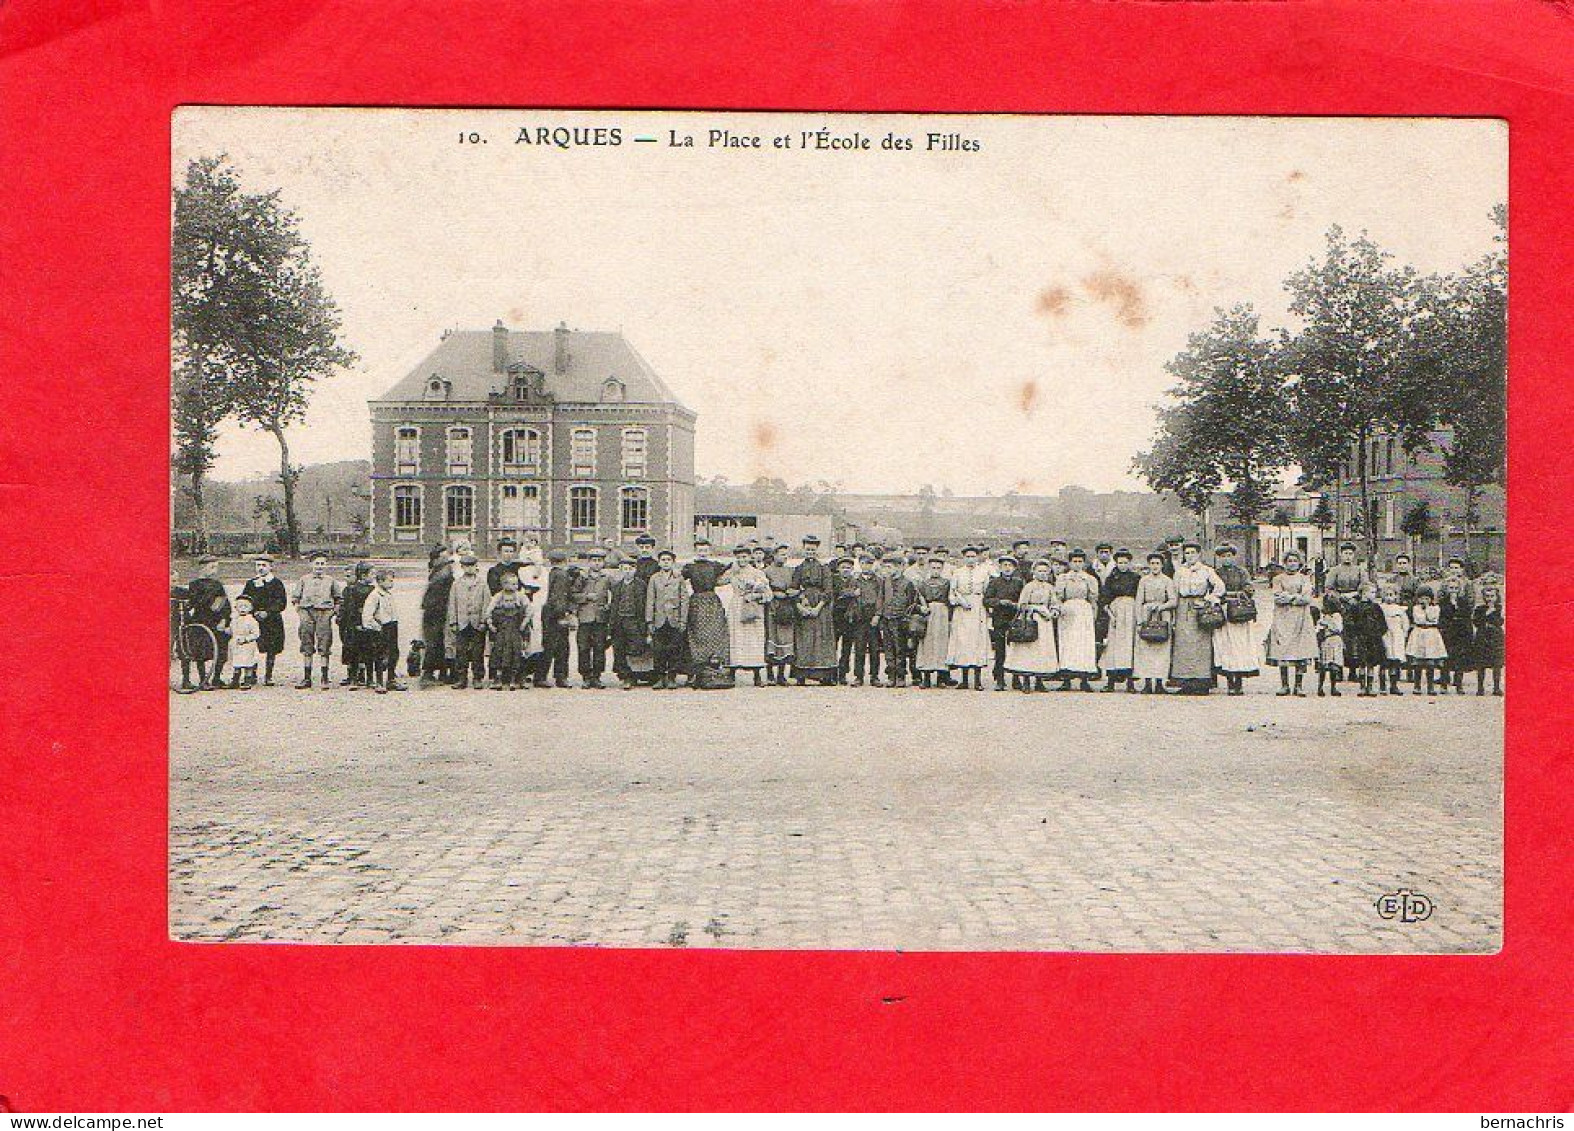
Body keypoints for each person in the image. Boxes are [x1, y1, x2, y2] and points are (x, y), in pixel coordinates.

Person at [1169, 542, 1225, 695]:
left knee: (1201, 646)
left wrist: (1208, 599)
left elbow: (1220, 587)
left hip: (1200, 609)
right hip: (1182, 608)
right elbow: (1174, 591)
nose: (1190, 556)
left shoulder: (1207, 571)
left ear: (1199, 554)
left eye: (1193, 552)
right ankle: (1185, 682)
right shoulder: (1179, 571)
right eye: (1187, 553)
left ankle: (1202, 682)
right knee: (1183, 645)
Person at [683, 540, 734, 689]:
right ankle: (696, 672)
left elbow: (729, 572)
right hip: (697, 601)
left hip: (712, 601)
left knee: (714, 633)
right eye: (700, 550)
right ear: (695, 551)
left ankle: (714, 670)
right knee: (696, 635)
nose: (702, 553)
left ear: (709, 551)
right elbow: (678, 579)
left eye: (705, 550)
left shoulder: (715, 566)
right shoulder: (690, 567)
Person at [1267, 550, 1318, 697]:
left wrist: (1290, 597)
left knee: (1300, 650)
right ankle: (1284, 685)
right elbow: (1277, 597)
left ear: (1299, 563)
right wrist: (1296, 598)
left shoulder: (1305, 579)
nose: (1292, 564)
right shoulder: (1278, 579)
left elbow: (1307, 598)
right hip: (1283, 617)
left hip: (1301, 618)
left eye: (1295, 561)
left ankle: (1299, 685)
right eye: (1289, 561)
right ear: (1285, 563)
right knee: (1282, 649)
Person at [1211, 543, 1258, 696]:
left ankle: (1239, 682)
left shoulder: (1241, 572)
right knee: (1226, 647)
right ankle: (1230, 682)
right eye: (1223, 556)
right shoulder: (1215, 573)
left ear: (1234, 556)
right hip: (1224, 612)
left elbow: (1249, 588)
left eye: (1229, 556)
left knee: (1240, 648)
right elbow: (1211, 590)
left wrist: (1245, 592)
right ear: (1219, 558)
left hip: (1239, 613)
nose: (1226, 559)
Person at [1006, 560, 1060, 692]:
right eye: (1039, 571)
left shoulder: (1050, 587)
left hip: (1045, 622)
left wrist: (1053, 611)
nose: (1042, 574)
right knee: (1029, 650)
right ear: (1034, 572)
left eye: (1045, 571)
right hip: (1031, 620)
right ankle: (1026, 681)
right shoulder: (1029, 586)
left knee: (1042, 651)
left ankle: (1039, 681)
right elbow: (1022, 605)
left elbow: (1055, 602)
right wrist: (1035, 608)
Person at [790, 535, 838, 685]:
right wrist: (800, 605)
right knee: (804, 639)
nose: (810, 552)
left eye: (813, 549)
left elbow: (828, 590)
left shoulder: (824, 568)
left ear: (817, 550)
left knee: (821, 639)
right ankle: (802, 675)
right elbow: (793, 588)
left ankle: (824, 675)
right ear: (803, 550)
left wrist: (817, 608)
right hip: (804, 606)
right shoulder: (798, 569)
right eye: (807, 549)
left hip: (820, 608)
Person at [292, 552, 342, 689]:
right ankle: (307, 678)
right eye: (316, 563)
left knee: (324, 642)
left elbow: (338, 598)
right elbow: (295, 598)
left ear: (326, 565)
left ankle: (324, 678)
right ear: (311, 565)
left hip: (324, 613)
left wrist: (333, 612)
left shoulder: (330, 580)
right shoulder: (304, 579)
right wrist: (300, 611)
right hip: (307, 612)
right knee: (306, 642)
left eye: (322, 563)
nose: (319, 566)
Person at [945, 545, 992, 690]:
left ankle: (977, 680)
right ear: (963, 558)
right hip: (962, 611)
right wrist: (960, 601)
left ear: (977, 557)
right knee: (963, 642)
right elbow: (952, 594)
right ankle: (964, 680)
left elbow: (987, 592)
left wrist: (983, 605)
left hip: (978, 610)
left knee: (977, 642)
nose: (970, 559)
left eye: (973, 556)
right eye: (967, 557)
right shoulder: (958, 573)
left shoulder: (984, 573)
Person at [1053, 549, 1100, 691]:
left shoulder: (1090, 579)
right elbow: (1058, 597)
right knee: (1068, 644)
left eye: (1080, 561)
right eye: (1074, 561)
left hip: (1083, 612)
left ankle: (1084, 680)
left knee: (1084, 645)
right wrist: (1060, 609)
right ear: (1070, 563)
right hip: (1068, 611)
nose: (1077, 564)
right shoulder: (1063, 578)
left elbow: (1093, 599)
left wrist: (1093, 615)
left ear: (1084, 563)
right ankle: (1066, 680)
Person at [724, 544, 771, 686]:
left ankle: (756, 674)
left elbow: (768, 594)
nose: (741, 560)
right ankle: (732, 672)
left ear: (750, 557)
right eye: (739, 557)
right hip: (737, 607)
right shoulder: (733, 572)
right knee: (735, 638)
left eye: (744, 557)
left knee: (753, 639)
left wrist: (755, 595)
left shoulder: (757, 573)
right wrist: (729, 569)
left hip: (752, 608)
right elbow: (718, 581)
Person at [239, 554, 288, 686]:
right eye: (258, 565)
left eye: (264, 565)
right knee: (253, 647)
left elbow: (282, 602)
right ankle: (252, 674)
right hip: (255, 621)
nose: (260, 568)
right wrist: (253, 612)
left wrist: (268, 611)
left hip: (272, 621)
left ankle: (268, 675)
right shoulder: (251, 583)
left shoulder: (277, 583)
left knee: (272, 648)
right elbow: (244, 600)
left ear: (271, 567)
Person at [185, 554, 231, 690]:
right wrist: (210, 598)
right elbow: (195, 603)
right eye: (212, 567)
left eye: (216, 567)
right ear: (203, 568)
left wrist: (224, 620)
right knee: (201, 652)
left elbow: (225, 604)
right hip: (201, 620)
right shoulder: (194, 585)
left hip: (217, 621)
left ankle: (216, 677)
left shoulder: (218, 585)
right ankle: (203, 679)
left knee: (221, 649)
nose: (214, 570)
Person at [568, 548, 613, 688]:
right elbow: (572, 595)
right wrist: (585, 597)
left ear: (603, 562)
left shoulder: (607, 578)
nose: (597, 563)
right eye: (594, 560)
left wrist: (608, 607)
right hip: (585, 618)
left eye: (599, 561)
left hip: (600, 618)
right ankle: (586, 676)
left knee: (600, 647)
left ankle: (597, 676)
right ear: (589, 562)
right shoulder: (582, 577)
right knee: (583, 647)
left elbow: (614, 595)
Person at [645, 550, 689, 690]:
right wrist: (649, 621)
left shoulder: (679, 578)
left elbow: (684, 600)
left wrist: (683, 620)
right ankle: (659, 677)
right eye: (663, 559)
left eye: (668, 560)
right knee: (658, 650)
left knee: (674, 649)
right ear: (659, 562)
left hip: (674, 619)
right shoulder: (654, 578)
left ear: (673, 562)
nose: (665, 562)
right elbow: (650, 599)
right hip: (659, 619)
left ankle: (671, 677)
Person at [1133, 554, 1177, 694]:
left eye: (1157, 563)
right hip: (1147, 615)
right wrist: (1140, 620)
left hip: (1162, 616)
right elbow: (1139, 601)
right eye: (1152, 563)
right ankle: (1147, 682)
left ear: (1162, 565)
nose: (1155, 566)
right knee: (1146, 649)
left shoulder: (1167, 581)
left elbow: (1173, 600)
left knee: (1161, 650)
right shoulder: (1144, 581)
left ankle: (1159, 683)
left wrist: (1161, 607)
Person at [447, 551, 490, 689]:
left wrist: (484, 621)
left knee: (478, 652)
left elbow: (486, 604)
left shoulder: (482, 584)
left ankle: (477, 677)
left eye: (472, 566)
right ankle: (461, 678)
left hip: (477, 623)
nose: (469, 568)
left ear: (476, 567)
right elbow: (452, 604)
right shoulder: (456, 584)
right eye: (466, 566)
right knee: (461, 652)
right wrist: (453, 622)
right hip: (462, 623)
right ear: (462, 567)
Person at [1098, 549, 1139, 693]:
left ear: (1129, 563)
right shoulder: (1111, 578)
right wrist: (1111, 615)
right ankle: (1110, 682)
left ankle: (1130, 683)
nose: (1122, 565)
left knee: (1129, 646)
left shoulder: (1135, 578)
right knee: (1114, 647)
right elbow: (1104, 599)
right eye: (1120, 562)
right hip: (1116, 612)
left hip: (1131, 611)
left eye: (1125, 562)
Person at [879, 552, 922, 688]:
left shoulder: (907, 583)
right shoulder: (885, 582)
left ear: (901, 567)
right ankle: (891, 676)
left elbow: (912, 603)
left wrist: (906, 617)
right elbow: (881, 599)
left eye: (891, 567)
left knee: (900, 649)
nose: (889, 570)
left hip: (901, 620)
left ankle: (900, 676)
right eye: (886, 567)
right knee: (888, 649)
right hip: (887, 619)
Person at [485, 538, 525, 685]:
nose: (508, 554)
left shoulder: (519, 569)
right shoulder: (494, 571)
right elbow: (493, 591)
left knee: (517, 644)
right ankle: (496, 676)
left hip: (516, 612)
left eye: (510, 551)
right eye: (505, 551)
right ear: (499, 553)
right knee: (499, 645)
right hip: (501, 612)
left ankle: (517, 675)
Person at [983, 555, 1025, 691]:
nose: (1007, 568)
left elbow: (1023, 599)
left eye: (1010, 565)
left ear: (1014, 568)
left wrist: (1015, 605)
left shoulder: (1019, 582)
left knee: (1016, 649)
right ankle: (1000, 680)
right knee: (1000, 650)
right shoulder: (994, 582)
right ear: (1000, 567)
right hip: (999, 619)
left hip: (1014, 619)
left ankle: (1016, 679)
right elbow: (986, 600)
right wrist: (999, 602)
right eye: (1005, 565)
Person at [486, 572, 533, 691]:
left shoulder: (521, 596)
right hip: (502, 629)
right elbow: (489, 611)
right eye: (511, 583)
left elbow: (529, 611)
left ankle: (516, 678)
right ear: (503, 584)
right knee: (499, 652)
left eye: (516, 583)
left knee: (517, 652)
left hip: (516, 629)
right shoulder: (498, 596)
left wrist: (524, 623)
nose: (515, 586)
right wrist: (490, 623)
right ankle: (498, 679)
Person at [361, 568, 406, 693]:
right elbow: (367, 616)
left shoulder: (388, 595)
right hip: (381, 628)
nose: (392, 583)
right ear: (380, 581)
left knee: (394, 653)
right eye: (389, 581)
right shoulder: (374, 596)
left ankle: (391, 679)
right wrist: (377, 628)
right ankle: (379, 682)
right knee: (380, 655)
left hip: (392, 626)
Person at [1343, 581, 1389, 698]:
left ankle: (1370, 687)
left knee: (1371, 663)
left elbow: (1383, 623)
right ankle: (1362, 687)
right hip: (1361, 638)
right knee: (1362, 663)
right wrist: (1356, 633)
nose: (1374, 595)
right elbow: (1349, 622)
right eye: (1372, 592)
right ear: (1364, 593)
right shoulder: (1356, 607)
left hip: (1373, 639)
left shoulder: (1376, 607)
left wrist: (1378, 633)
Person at [537, 548, 575, 688]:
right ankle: (559, 677)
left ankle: (541, 676)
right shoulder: (562, 575)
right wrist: (562, 614)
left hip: (547, 613)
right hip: (556, 614)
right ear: (565, 561)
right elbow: (559, 597)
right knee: (561, 647)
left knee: (548, 646)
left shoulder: (551, 573)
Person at [1436, 560, 1475, 695]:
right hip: (1448, 629)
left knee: (1460, 656)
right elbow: (1439, 607)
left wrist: (1458, 606)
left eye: (1456, 568)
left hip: (1461, 628)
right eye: (1451, 568)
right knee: (1446, 655)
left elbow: (1470, 606)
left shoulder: (1467, 585)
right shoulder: (1444, 589)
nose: (1454, 570)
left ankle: (1458, 682)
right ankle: (1444, 680)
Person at [913, 555, 953, 688]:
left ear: (942, 569)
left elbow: (950, 600)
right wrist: (922, 608)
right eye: (933, 568)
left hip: (942, 613)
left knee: (942, 644)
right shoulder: (923, 583)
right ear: (929, 568)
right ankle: (926, 677)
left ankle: (941, 677)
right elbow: (916, 602)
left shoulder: (947, 583)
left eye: (938, 568)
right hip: (929, 613)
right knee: (927, 644)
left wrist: (950, 618)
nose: (936, 570)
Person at [419, 546, 454, 688]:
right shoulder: (442, 572)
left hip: (436, 611)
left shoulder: (441, 572)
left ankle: (435, 672)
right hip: (437, 611)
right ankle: (436, 672)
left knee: (435, 641)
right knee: (437, 642)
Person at [763, 543, 797, 686]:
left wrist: (793, 592)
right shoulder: (766, 571)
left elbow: (796, 587)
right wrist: (773, 593)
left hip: (786, 606)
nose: (784, 557)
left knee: (784, 638)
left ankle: (781, 675)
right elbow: (763, 588)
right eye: (782, 554)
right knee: (771, 636)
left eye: (786, 554)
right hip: (772, 606)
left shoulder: (791, 571)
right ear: (774, 555)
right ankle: (770, 673)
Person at [338, 562, 374, 689]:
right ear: (363, 576)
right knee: (353, 651)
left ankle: (368, 678)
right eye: (372, 574)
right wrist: (355, 623)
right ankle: (353, 677)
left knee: (369, 651)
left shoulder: (373, 590)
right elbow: (350, 609)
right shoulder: (351, 590)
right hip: (355, 625)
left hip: (369, 624)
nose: (373, 577)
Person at [1406, 589, 1448, 696]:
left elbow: (1431, 618)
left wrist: (1427, 608)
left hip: (1431, 634)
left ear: (1431, 599)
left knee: (1430, 661)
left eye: (1426, 598)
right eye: (1421, 598)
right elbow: (1419, 619)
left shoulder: (1435, 608)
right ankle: (1417, 685)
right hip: (1419, 633)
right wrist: (1423, 610)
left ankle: (1430, 686)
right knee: (1418, 662)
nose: (1424, 600)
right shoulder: (1415, 608)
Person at [1470, 581, 1505, 696]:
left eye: (1492, 596)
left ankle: (1496, 687)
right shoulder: (1479, 609)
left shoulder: (1499, 609)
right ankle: (1480, 687)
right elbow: (1476, 622)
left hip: (1495, 638)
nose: (1490, 599)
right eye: (1487, 596)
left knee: (1497, 664)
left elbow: (1500, 622)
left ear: (1496, 597)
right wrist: (1487, 614)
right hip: (1482, 638)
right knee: (1481, 664)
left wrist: (1492, 613)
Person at [1378, 583, 1412, 696]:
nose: (1389, 597)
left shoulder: (1400, 610)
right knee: (1384, 661)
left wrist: (1404, 633)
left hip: (1397, 636)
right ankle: (1382, 686)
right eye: (1386, 595)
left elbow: (1405, 623)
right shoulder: (1380, 608)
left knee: (1395, 662)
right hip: (1385, 635)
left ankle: (1394, 685)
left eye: (1391, 595)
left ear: (1396, 596)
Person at [227, 596, 260, 690]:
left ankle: (247, 680)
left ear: (250, 608)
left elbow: (256, 634)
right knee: (237, 663)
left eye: (245, 607)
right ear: (236, 608)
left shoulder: (252, 621)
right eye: (240, 606)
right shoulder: (235, 620)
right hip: (236, 644)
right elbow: (232, 630)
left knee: (248, 663)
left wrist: (246, 639)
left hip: (247, 645)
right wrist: (228, 631)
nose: (242, 609)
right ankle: (235, 680)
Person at [1316, 595, 1346, 697]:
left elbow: (1338, 629)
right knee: (1324, 666)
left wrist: (1328, 624)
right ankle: (1320, 687)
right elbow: (1318, 627)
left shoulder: (1337, 616)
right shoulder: (1323, 616)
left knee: (1334, 666)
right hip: (1326, 641)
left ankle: (1333, 687)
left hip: (1335, 641)